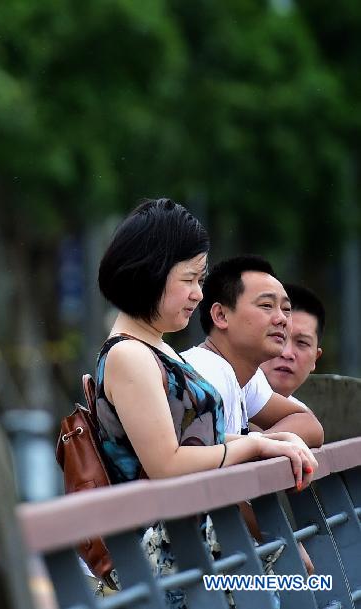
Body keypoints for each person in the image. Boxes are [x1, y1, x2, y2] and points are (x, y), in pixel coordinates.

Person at [95, 199, 316, 606]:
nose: (198, 293)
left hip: (193, 553)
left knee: (308, 584)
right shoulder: (130, 356)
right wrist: (255, 443)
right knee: (306, 586)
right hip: (170, 569)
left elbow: (193, 444)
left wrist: (264, 441)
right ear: (152, 271)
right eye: (190, 279)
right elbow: (168, 464)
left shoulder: (155, 350)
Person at [180, 257, 324, 446]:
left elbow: (310, 425)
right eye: (266, 305)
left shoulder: (245, 376)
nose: (281, 318)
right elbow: (190, 455)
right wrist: (259, 446)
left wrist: (260, 443)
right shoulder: (204, 376)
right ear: (221, 316)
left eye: (286, 309)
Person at [260, 283, 325, 401]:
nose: (286, 353)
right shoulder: (222, 400)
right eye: (277, 336)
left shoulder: (305, 417)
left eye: (302, 342)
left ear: (315, 358)